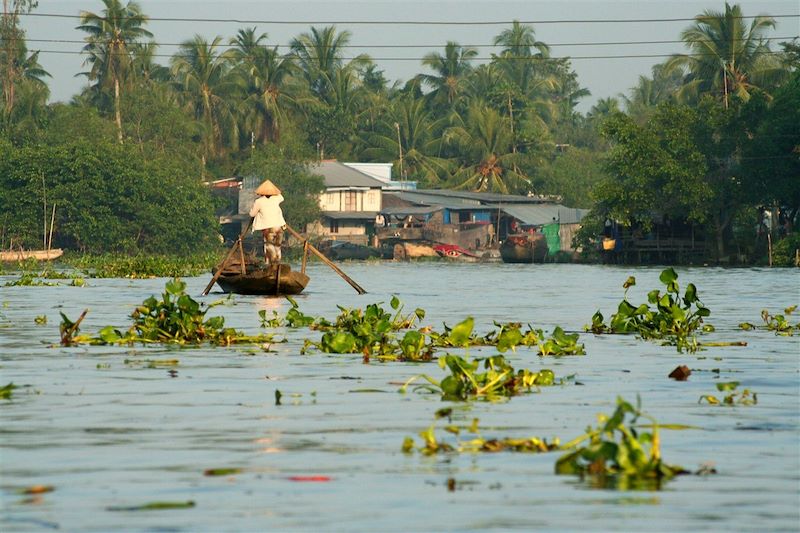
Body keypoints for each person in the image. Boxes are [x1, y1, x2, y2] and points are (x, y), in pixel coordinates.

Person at [249, 179, 286, 264]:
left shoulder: (259, 201)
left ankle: (270, 263)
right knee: (277, 246)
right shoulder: (276, 199)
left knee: (268, 245)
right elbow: (281, 197)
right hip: (278, 227)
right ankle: (277, 262)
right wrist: (275, 191)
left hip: (268, 228)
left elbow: (252, 214)